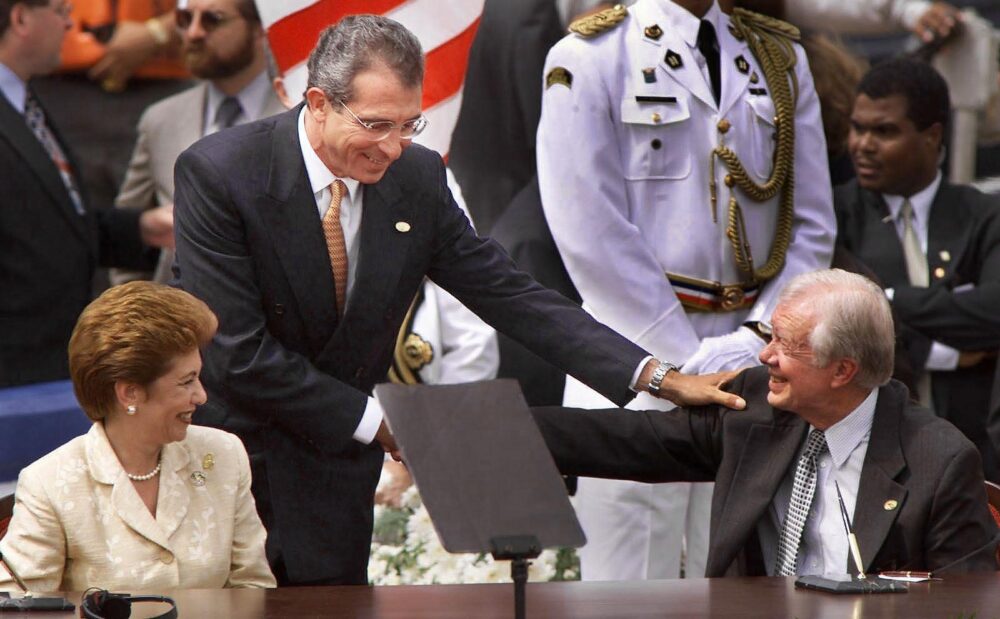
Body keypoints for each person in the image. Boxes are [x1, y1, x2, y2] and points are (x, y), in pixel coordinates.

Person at [172, 15, 743, 586]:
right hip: (239, 467)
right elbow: (237, 354)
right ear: (318, 103)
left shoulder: (417, 176)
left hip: (334, 480)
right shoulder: (222, 174)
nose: (393, 147)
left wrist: (656, 376)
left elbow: (506, 292)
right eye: (375, 125)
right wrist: (381, 423)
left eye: (409, 125)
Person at [536, 0, 835, 579]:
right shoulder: (589, 55)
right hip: (632, 355)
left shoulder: (778, 57)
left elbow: (811, 221)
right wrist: (682, 360)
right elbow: (586, 225)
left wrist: (759, 337)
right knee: (627, 584)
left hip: (755, 355)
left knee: (738, 575)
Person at [533, 269, 1000, 576]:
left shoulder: (938, 461)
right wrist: (495, 426)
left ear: (843, 370)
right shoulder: (755, 406)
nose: (764, 355)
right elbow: (627, 440)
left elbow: (966, 602)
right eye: (771, 336)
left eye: (788, 346)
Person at [0, 281, 275, 591]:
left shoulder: (223, 455)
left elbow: (253, 588)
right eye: (186, 382)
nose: (201, 396)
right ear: (130, 393)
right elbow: (17, 607)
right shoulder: (49, 485)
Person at [835, 57, 1000, 482]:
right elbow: (838, 332)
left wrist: (885, 299)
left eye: (884, 131)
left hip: (976, 451)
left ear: (933, 136)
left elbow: (993, 312)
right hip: (868, 458)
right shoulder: (832, 218)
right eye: (858, 127)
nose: (863, 144)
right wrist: (942, 351)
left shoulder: (984, 215)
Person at [0, 0, 173, 388]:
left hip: (47, 372)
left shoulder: (26, 104)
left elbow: (47, 223)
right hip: (15, 379)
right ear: (21, 18)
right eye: (61, 11)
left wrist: (142, 229)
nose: (69, 25)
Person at [110, 0, 286, 284]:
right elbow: (128, 230)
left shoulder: (302, 115)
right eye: (184, 19)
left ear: (259, 28)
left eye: (212, 20)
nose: (193, 33)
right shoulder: (161, 119)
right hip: (179, 316)